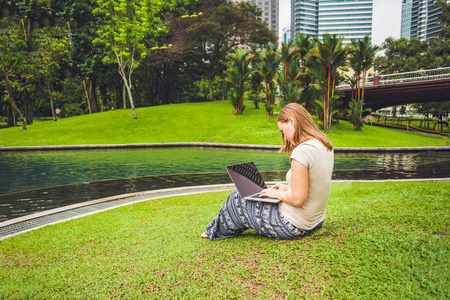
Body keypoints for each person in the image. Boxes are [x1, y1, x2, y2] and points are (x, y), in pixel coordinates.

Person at [201, 103, 334, 240]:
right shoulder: (324, 144)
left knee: (237, 198)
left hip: (293, 225)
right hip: (315, 221)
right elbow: (315, 183)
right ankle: (223, 227)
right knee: (252, 200)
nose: (284, 137)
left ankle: (213, 231)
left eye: (282, 131)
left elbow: (298, 199)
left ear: (292, 121)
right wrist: (286, 188)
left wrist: (276, 193)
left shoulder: (301, 151)